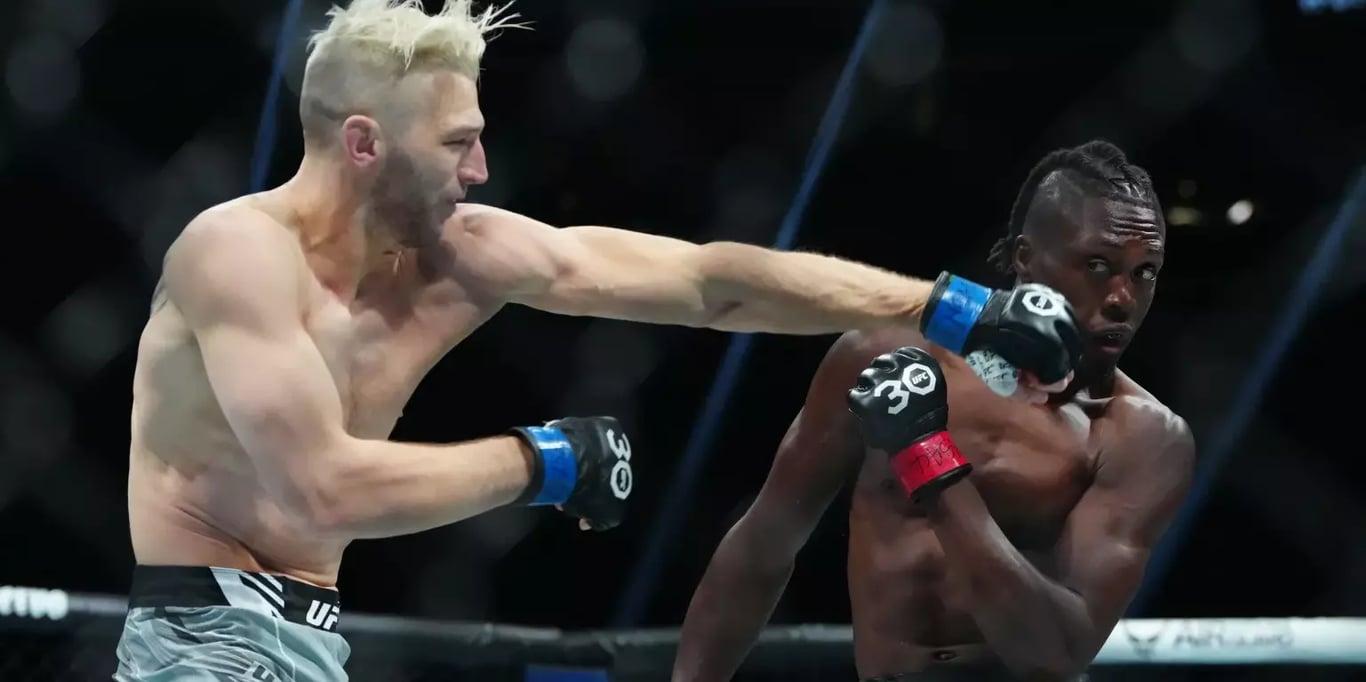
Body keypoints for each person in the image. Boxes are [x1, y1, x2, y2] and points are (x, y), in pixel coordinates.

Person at [110, 2, 1074, 680]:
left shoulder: (461, 254)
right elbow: (320, 488)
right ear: (364, 144)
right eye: (454, 142)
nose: (480, 169)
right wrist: (543, 460)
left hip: (310, 640)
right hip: (201, 638)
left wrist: (944, 306)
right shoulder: (236, 254)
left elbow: (709, 285)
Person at [673, 140, 1197, 682]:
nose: (1122, 299)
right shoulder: (883, 356)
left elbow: (1057, 651)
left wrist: (927, 454)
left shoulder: (1142, 436)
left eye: (1145, 272)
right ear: (1025, 259)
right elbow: (764, 543)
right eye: (1098, 265)